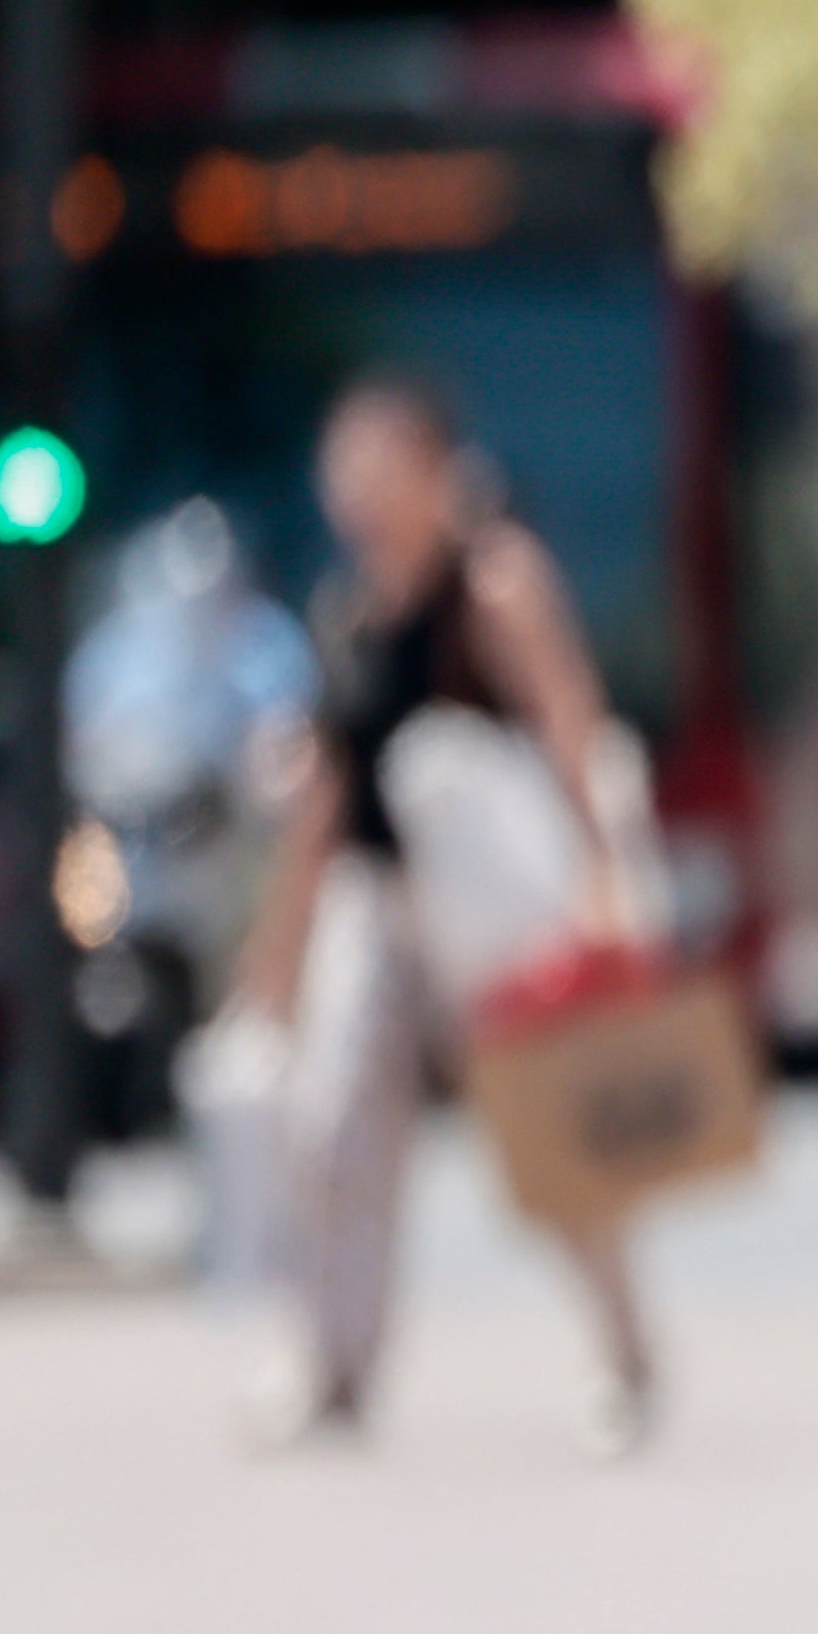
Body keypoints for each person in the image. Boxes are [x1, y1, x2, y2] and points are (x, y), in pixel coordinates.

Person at [221, 370, 663, 1443]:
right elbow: (324, 807)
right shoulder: (347, 615)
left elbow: (571, 722)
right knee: (332, 1128)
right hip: (380, 907)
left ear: (434, 470)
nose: (362, 494)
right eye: (345, 472)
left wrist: (608, 878)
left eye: (382, 468)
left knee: (548, 1135)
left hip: (495, 910)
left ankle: (623, 1355)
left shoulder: (493, 584)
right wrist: (274, 961)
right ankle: (333, 1365)